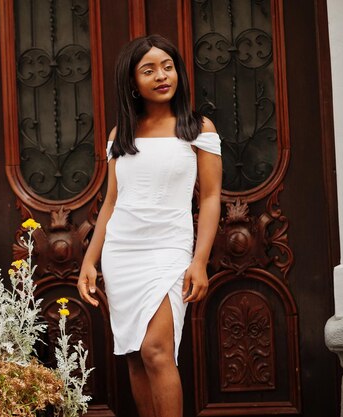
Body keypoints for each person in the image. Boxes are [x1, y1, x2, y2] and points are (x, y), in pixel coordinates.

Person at [77, 35, 222, 417]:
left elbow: (209, 198)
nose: (162, 76)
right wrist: (89, 262)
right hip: (122, 253)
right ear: (132, 82)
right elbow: (111, 202)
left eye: (168, 66)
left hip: (169, 251)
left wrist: (200, 261)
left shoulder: (198, 127)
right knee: (135, 355)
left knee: (157, 350)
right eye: (149, 70)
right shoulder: (120, 136)